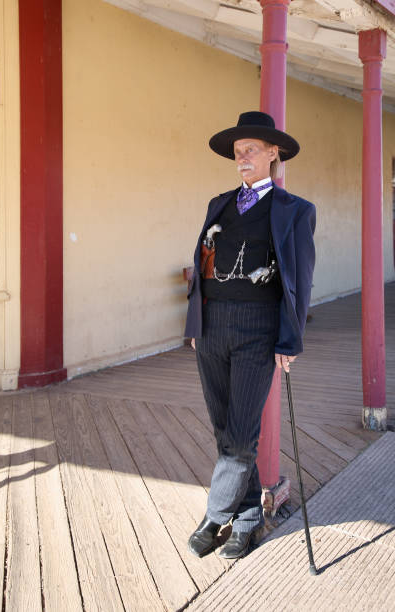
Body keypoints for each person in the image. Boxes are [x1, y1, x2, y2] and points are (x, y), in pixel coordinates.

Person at [185, 111, 316, 559]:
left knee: (241, 432)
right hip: (213, 325)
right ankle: (247, 518)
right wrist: (196, 325)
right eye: (238, 151)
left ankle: (216, 515)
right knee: (225, 428)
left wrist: (290, 339)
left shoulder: (295, 211)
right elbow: (202, 265)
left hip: (259, 328)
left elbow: (300, 278)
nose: (242, 156)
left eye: (251, 149)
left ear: (273, 153)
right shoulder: (218, 203)